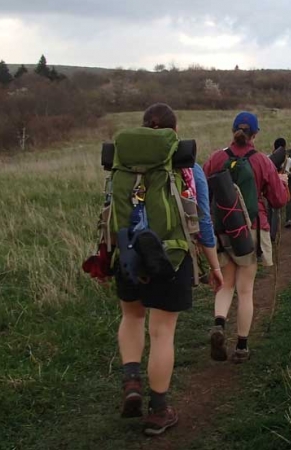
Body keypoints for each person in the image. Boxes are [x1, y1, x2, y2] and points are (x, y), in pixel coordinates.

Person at [116, 104, 223, 436]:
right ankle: (159, 410)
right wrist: (214, 266)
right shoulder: (187, 165)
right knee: (162, 332)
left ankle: (132, 380)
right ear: (173, 132)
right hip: (170, 256)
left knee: (131, 317)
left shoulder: (121, 163)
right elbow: (201, 219)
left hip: (126, 252)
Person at [203, 112, 289, 363]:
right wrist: (282, 183)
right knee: (245, 290)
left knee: (225, 284)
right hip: (250, 229)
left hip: (221, 230)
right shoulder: (262, 161)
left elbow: (203, 192)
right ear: (255, 134)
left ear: (233, 132)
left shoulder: (216, 158)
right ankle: (241, 347)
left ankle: (219, 324)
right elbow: (278, 200)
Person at [267, 138, 291, 241]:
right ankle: (274, 234)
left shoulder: (268, 159)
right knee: (277, 211)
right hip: (281, 188)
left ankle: (268, 232)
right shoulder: (288, 160)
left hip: (269, 188)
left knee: (269, 209)